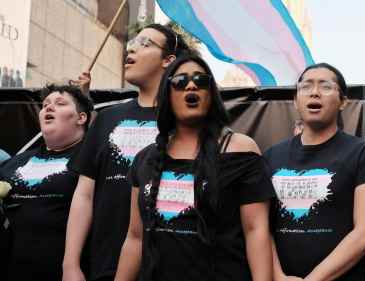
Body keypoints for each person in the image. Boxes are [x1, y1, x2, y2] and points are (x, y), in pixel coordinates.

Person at [114, 54, 275, 281]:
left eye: (201, 81)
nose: (191, 85)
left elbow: (255, 230)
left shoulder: (240, 150)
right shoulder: (145, 159)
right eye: (180, 82)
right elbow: (135, 237)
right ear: (167, 95)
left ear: (211, 94)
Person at [62, 23, 192, 281]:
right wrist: (70, 263)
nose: (130, 49)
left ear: (169, 60)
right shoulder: (108, 118)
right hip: (105, 264)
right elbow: (84, 194)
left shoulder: (186, 120)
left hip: (171, 266)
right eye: (132, 42)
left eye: (145, 44)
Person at [264, 62, 365, 280]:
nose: (314, 92)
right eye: (306, 87)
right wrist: (277, 276)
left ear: (343, 101)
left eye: (325, 86)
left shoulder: (363, 154)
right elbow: (261, 228)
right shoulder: (272, 157)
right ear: (295, 100)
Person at [0, 84, 93, 280]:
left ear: (81, 118)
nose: (49, 108)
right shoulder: (14, 162)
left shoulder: (94, 160)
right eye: (45, 105)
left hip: (66, 271)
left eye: (60, 104)